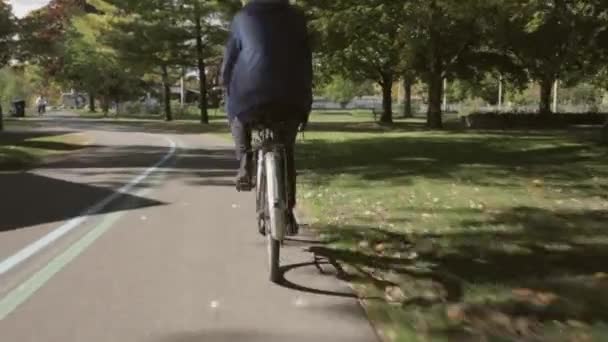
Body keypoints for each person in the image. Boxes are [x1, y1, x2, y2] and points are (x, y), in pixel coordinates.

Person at [221, 0, 313, 229]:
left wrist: (225, 84)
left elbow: (229, 62)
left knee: (236, 114)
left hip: (250, 96)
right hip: (291, 98)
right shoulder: (297, 17)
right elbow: (306, 61)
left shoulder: (242, 18)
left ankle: (245, 163)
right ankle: (288, 213)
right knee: (287, 150)